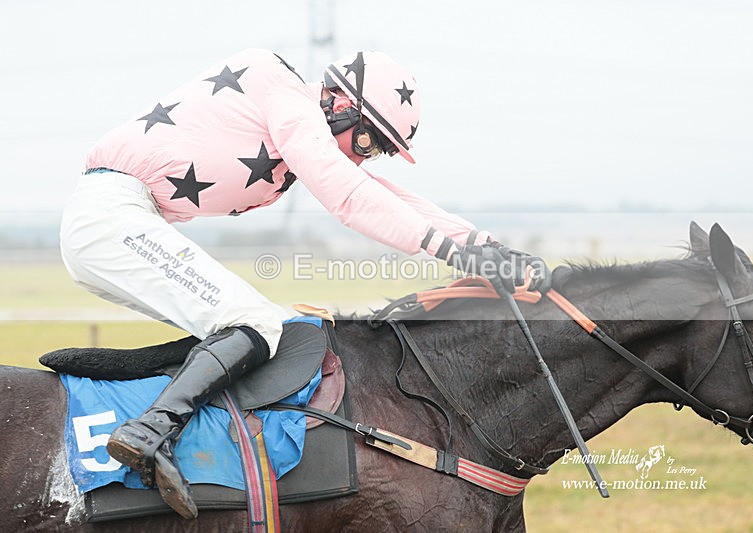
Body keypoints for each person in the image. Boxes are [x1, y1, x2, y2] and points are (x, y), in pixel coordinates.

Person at [59, 49, 548, 519]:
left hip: (121, 220)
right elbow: (348, 196)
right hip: (111, 217)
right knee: (255, 324)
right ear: (340, 102)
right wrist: (456, 254)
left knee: (275, 330)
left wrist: (488, 246)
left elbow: (380, 192)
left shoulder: (296, 116)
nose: (364, 158)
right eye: (366, 142)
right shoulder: (285, 94)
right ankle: (149, 433)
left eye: (376, 152)